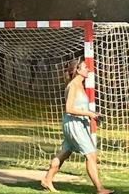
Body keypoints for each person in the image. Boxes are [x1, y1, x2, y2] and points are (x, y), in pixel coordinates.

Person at [41, 59, 113, 194]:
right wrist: (88, 113)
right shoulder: (73, 86)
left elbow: (79, 106)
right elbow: (69, 108)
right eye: (85, 67)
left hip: (77, 124)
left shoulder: (80, 85)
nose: (88, 69)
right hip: (73, 125)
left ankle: (47, 179)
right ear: (78, 70)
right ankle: (100, 188)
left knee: (65, 153)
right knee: (91, 154)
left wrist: (92, 114)